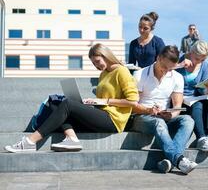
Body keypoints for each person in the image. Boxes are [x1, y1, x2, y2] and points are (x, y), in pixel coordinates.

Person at [4, 43, 139, 153]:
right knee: (55, 103)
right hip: (101, 114)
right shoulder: (103, 74)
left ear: (106, 55)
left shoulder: (122, 71)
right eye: (94, 64)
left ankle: (30, 141)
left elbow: (133, 101)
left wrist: (105, 101)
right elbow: (102, 101)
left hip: (113, 120)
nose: (97, 66)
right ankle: (71, 138)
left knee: (67, 104)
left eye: (97, 61)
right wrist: (90, 103)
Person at [130, 45, 197, 175]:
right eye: (164, 67)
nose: (166, 71)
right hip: (141, 117)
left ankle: (169, 161)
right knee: (158, 123)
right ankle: (179, 159)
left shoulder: (177, 77)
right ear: (158, 58)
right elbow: (133, 106)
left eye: (170, 69)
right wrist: (149, 110)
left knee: (188, 120)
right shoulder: (140, 74)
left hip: (163, 116)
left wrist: (171, 115)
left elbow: (177, 106)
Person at [176, 40, 208, 151]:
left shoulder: (204, 65)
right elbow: (165, 71)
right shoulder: (179, 59)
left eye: (202, 59)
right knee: (198, 104)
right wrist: (179, 65)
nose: (198, 62)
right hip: (180, 98)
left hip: (195, 97)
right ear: (191, 52)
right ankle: (201, 138)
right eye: (196, 58)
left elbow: (201, 89)